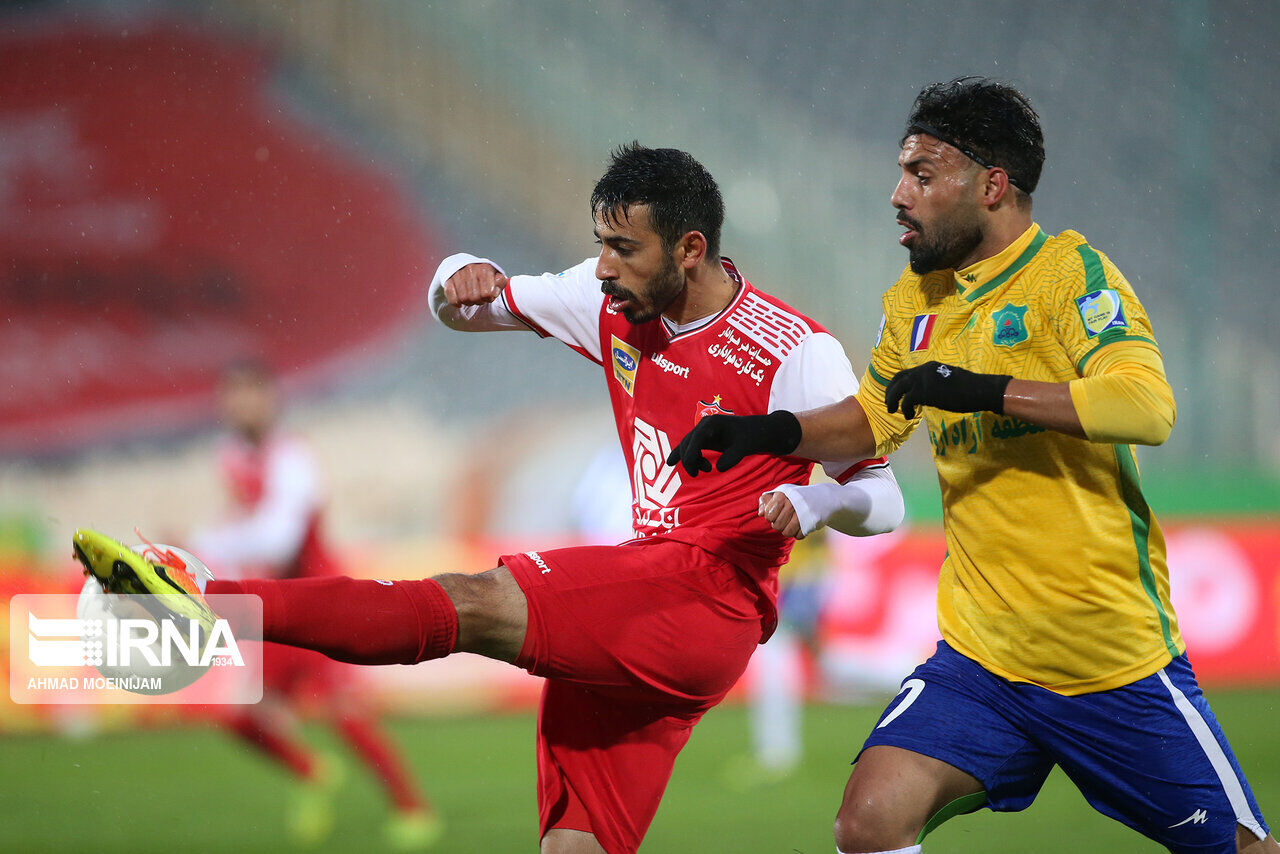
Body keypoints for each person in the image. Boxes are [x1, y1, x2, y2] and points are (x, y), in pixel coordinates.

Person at [73, 143, 905, 854]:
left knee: (469, 603)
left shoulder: (795, 348)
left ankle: (203, 602)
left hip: (706, 599)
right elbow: (469, 308)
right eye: (599, 244)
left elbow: (884, 498)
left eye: (625, 249)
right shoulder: (603, 297)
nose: (604, 267)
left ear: (691, 248)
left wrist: (820, 507)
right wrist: (449, 278)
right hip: (642, 599)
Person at [669, 77, 1276, 854]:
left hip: (1109, 664)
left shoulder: (1068, 277)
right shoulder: (915, 301)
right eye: (902, 171)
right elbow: (870, 423)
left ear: (993, 185)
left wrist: (984, 390)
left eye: (922, 174)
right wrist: (763, 432)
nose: (898, 193)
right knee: (869, 821)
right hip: (982, 663)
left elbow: (1146, 405)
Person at [190, 361, 439, 848]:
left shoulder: (293, 460)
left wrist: (205, 541)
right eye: (232, 397)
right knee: (239, 716)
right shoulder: (231, 456)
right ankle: (312, 770)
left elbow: (279, 539)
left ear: (271, 400)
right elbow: (246, 529)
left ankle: (413, 809)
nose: (240, 406)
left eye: (250, 395)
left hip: (323, 604)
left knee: (344, 713)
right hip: (278, 610)